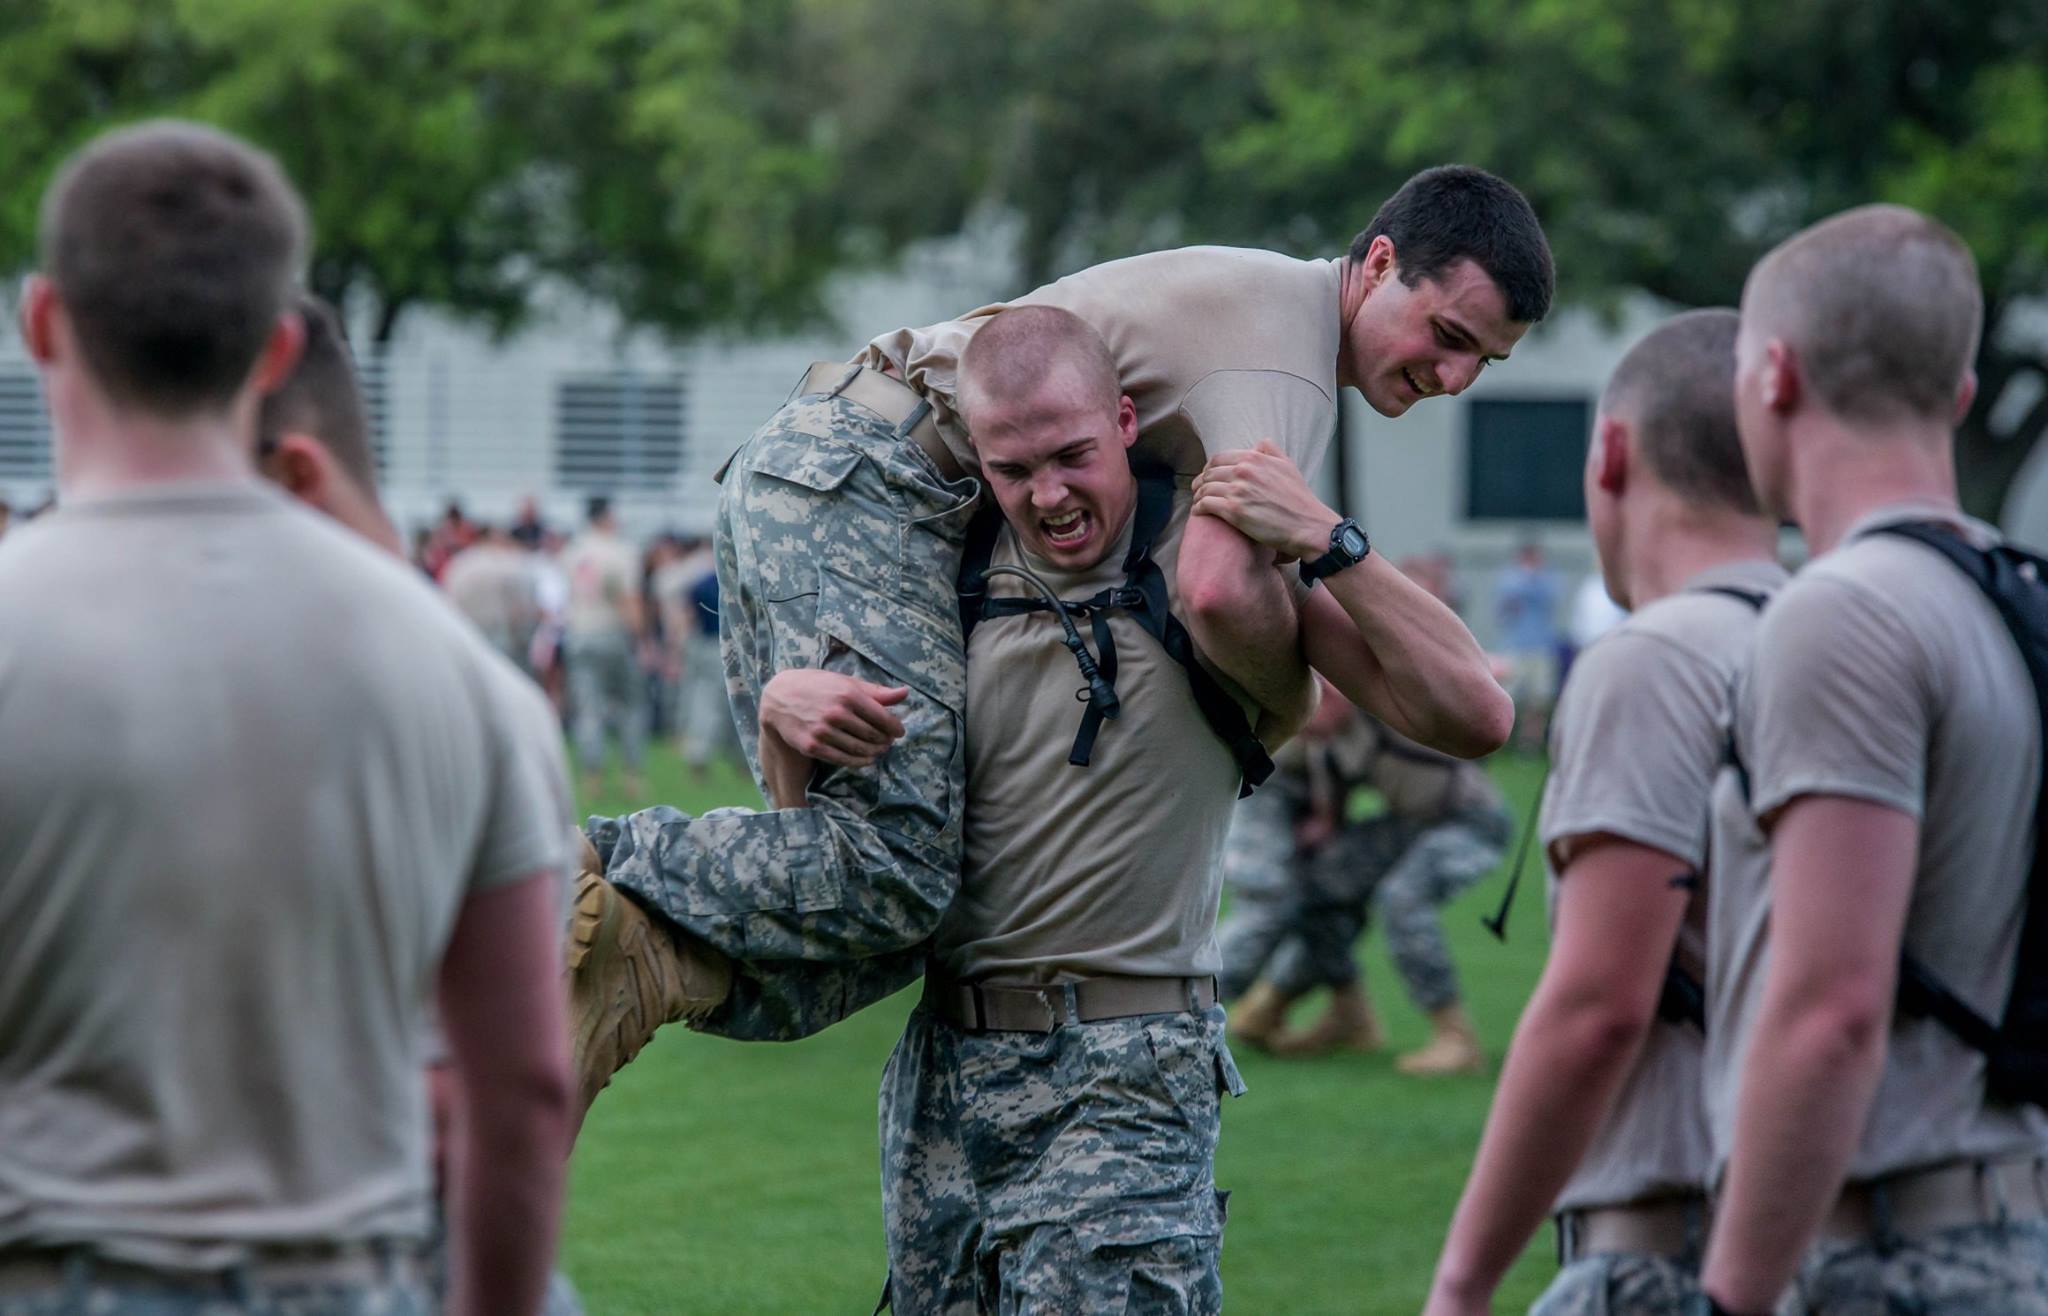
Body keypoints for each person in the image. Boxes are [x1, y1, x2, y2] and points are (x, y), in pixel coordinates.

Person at [570, 165, 1544, 1110]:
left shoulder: (1267, 314)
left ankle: (632, 960)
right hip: (870, 476)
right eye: (1446, 333)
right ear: (1376, 265)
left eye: (1482, 361)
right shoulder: (1285, 361)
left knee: (897, 913)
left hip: (836, 465)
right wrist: (1281, 709)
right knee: (888, 866)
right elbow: (1213, 584)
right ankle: (566, 862)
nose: (1454, 376)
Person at [761, 305, 1485, 1313]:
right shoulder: (943, 579)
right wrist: (778, 719)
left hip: (1125, 1068)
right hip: (941, 1075)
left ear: (1128, 422)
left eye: (1072, 455)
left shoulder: (1208, 566)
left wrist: (1328, 538)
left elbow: (1474, 711)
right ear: (975, 455)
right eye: (1012, 471)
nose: (1048, 496)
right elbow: (833, 865)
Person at [0, 121, 571, 1316]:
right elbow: (518, 1087)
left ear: (42, 321)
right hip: (344, 1275)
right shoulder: (465, 680)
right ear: (276, 348)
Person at [1700, 207, 2048, 1314]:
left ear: (1771, 376)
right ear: (1955, 393)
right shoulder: (2017, 602)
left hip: (1894, 1256)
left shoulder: (1843, 612)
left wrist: (1729, 1296)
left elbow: (1830, 1006)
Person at [1421, 309, 1784, 1315]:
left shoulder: (1652, 656)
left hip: (1673, 1234)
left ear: (1610, 452)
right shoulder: (1838, 635)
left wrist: (1458, 1285)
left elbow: (1596, 1008)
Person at [254, 292, 586, 1316]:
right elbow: (502, 1096)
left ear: (290, 476)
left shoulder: (383, 695)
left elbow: (475, 1103)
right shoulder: (476, 706)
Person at [1226, 688, 1508, 1074]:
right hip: (1411, 823)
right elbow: (1329, 798)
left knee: (1403, 898)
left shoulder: (1392, 710)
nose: (1319, 706)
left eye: (1329, 695)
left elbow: (1466, 713)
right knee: (1320, 886)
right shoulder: (1328, 739)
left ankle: (1456, 1038)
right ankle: (1346, 1015)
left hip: (1469, 820)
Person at [560, 494, 650, 799]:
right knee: (630, 706)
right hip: (612, 633)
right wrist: (643, 638)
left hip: (578, 633)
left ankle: (592, 778)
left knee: (588, 709)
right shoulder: (620, 551)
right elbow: (628, 598)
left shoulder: (572, 551)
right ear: (607, 517)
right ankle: (631, 775)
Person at [442, 523, 543, 675]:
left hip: (466, 635)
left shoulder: (458, 565)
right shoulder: (507, 564)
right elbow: (520, 609)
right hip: (501, 637)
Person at [1494, 538, 1564, 752]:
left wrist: (1531, 582)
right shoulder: (1508, 579)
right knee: (1508, 697)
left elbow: (1552, 595)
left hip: (1542, 647)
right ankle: (1500, 742)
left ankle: (1529, 746)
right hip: (1515, 646)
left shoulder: (1549, 579)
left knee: (1539, 700)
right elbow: (1502, 609)